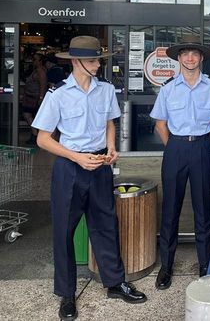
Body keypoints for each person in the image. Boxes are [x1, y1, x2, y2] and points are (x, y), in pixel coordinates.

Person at [32, 36, 146, 320]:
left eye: (98, 60)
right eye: (93, 60)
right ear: (76, 62)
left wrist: (111, 147)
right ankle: (67, 294)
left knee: (106, 226)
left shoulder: (105, 90)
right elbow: (43, 139)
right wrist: (76, 157)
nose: (98, 65)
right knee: (64, 232)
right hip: (70, 167)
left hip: (100, 166)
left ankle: (115, 282)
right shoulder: (58, 93)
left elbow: (110, 121)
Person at [150, 35, 210, 287]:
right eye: (185, 54)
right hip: (175, 148)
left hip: (202, 148)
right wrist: (177, 146)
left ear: (201, 57)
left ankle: (204, 263)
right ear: (179, 58)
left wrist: (199, 142)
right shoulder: (168, 88)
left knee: (202, 209)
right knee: (170, 210)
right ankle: (167, 265)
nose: (190, 58)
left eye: (194, 54)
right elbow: (161, 124)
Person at [21, 53, 47, 145]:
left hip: (34, 98)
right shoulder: (35, 70)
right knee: (30, 115)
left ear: (40, 61)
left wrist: (41, 97)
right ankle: (34, 134)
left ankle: (35, 135)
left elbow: (43, 85)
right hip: (30, 96)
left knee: (28, 115)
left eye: (35, 60)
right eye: (33, 59)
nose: (33, 61)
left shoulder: (41, 71)